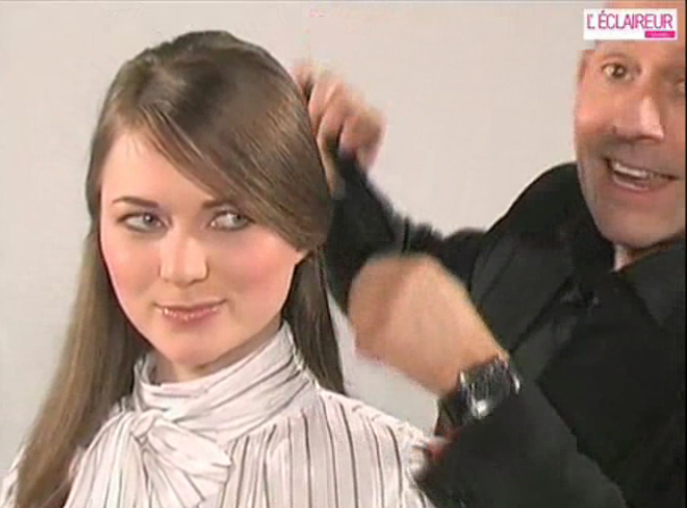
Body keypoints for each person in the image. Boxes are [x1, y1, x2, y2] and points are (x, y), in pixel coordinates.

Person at [0, 30, 436, 508]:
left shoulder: (399, 479)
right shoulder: (44, 478)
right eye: (144, 220)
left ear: (305, 228)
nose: (182, 269)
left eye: (230, 219)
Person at [296, 0, 686, 507]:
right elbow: (411, 290)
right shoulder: (562, 207)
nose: (635, 121)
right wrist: (335, 176)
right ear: (582, 77)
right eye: (618, 71)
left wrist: (480, 384)